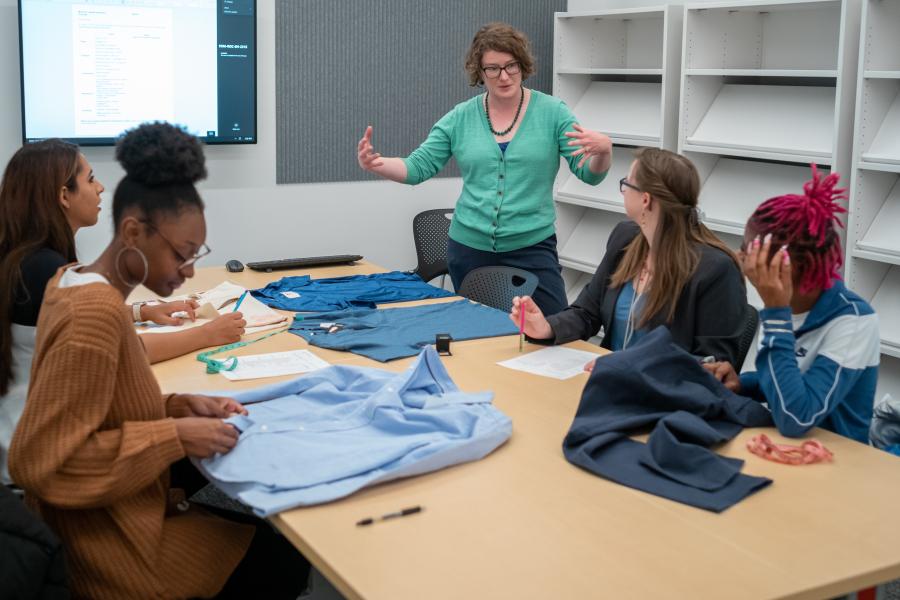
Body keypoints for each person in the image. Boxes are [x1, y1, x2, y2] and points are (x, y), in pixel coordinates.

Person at [9, 123, 309, 599]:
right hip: (108, 552)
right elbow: (39, 463)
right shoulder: (94, 313)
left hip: (116, 520)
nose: (189, 272)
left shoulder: (75, 283)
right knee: (286, 560)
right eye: (182, 255)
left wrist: (176, 406)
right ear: (133, 232)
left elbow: (95, 403)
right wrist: (173, 433)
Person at [0, 139, 244, 485]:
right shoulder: (51, 274)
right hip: (42, 456)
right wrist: (207, 334)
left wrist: (141, 311)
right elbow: (124, 348)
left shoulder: (31, 262)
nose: (100, 188)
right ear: (63, 195)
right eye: (90, 179)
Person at [357, 22, 612, 316]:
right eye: (493, 68)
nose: (504, 76)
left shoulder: (553, 113)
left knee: (552, 327)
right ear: (479, 72)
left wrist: (603, 153)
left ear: (522, 65)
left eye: (511, 66)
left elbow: (588, 174)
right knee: (479, 335)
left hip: (532, 247)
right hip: (469, 249)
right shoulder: (461, 117)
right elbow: (418, 167)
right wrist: (377, 164)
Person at [510, 147, 749, 368]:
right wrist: (547, 327)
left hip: (664, 403)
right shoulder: (625, 239)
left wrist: (629, 367)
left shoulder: (716, 269)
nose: (623, 190)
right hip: (609, 387)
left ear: (645, 199)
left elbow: (713, 365)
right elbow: (587, 312)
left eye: (626, 184)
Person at [703, 166, 879, 444]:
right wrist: (744, 383)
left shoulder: (855, 322)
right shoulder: (786, 306)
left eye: (749, 249)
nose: (740, 256)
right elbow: (790, 381)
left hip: (839, 465)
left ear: (783, 266)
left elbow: (796, 417)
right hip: (789, 451)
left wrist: (775, 313)